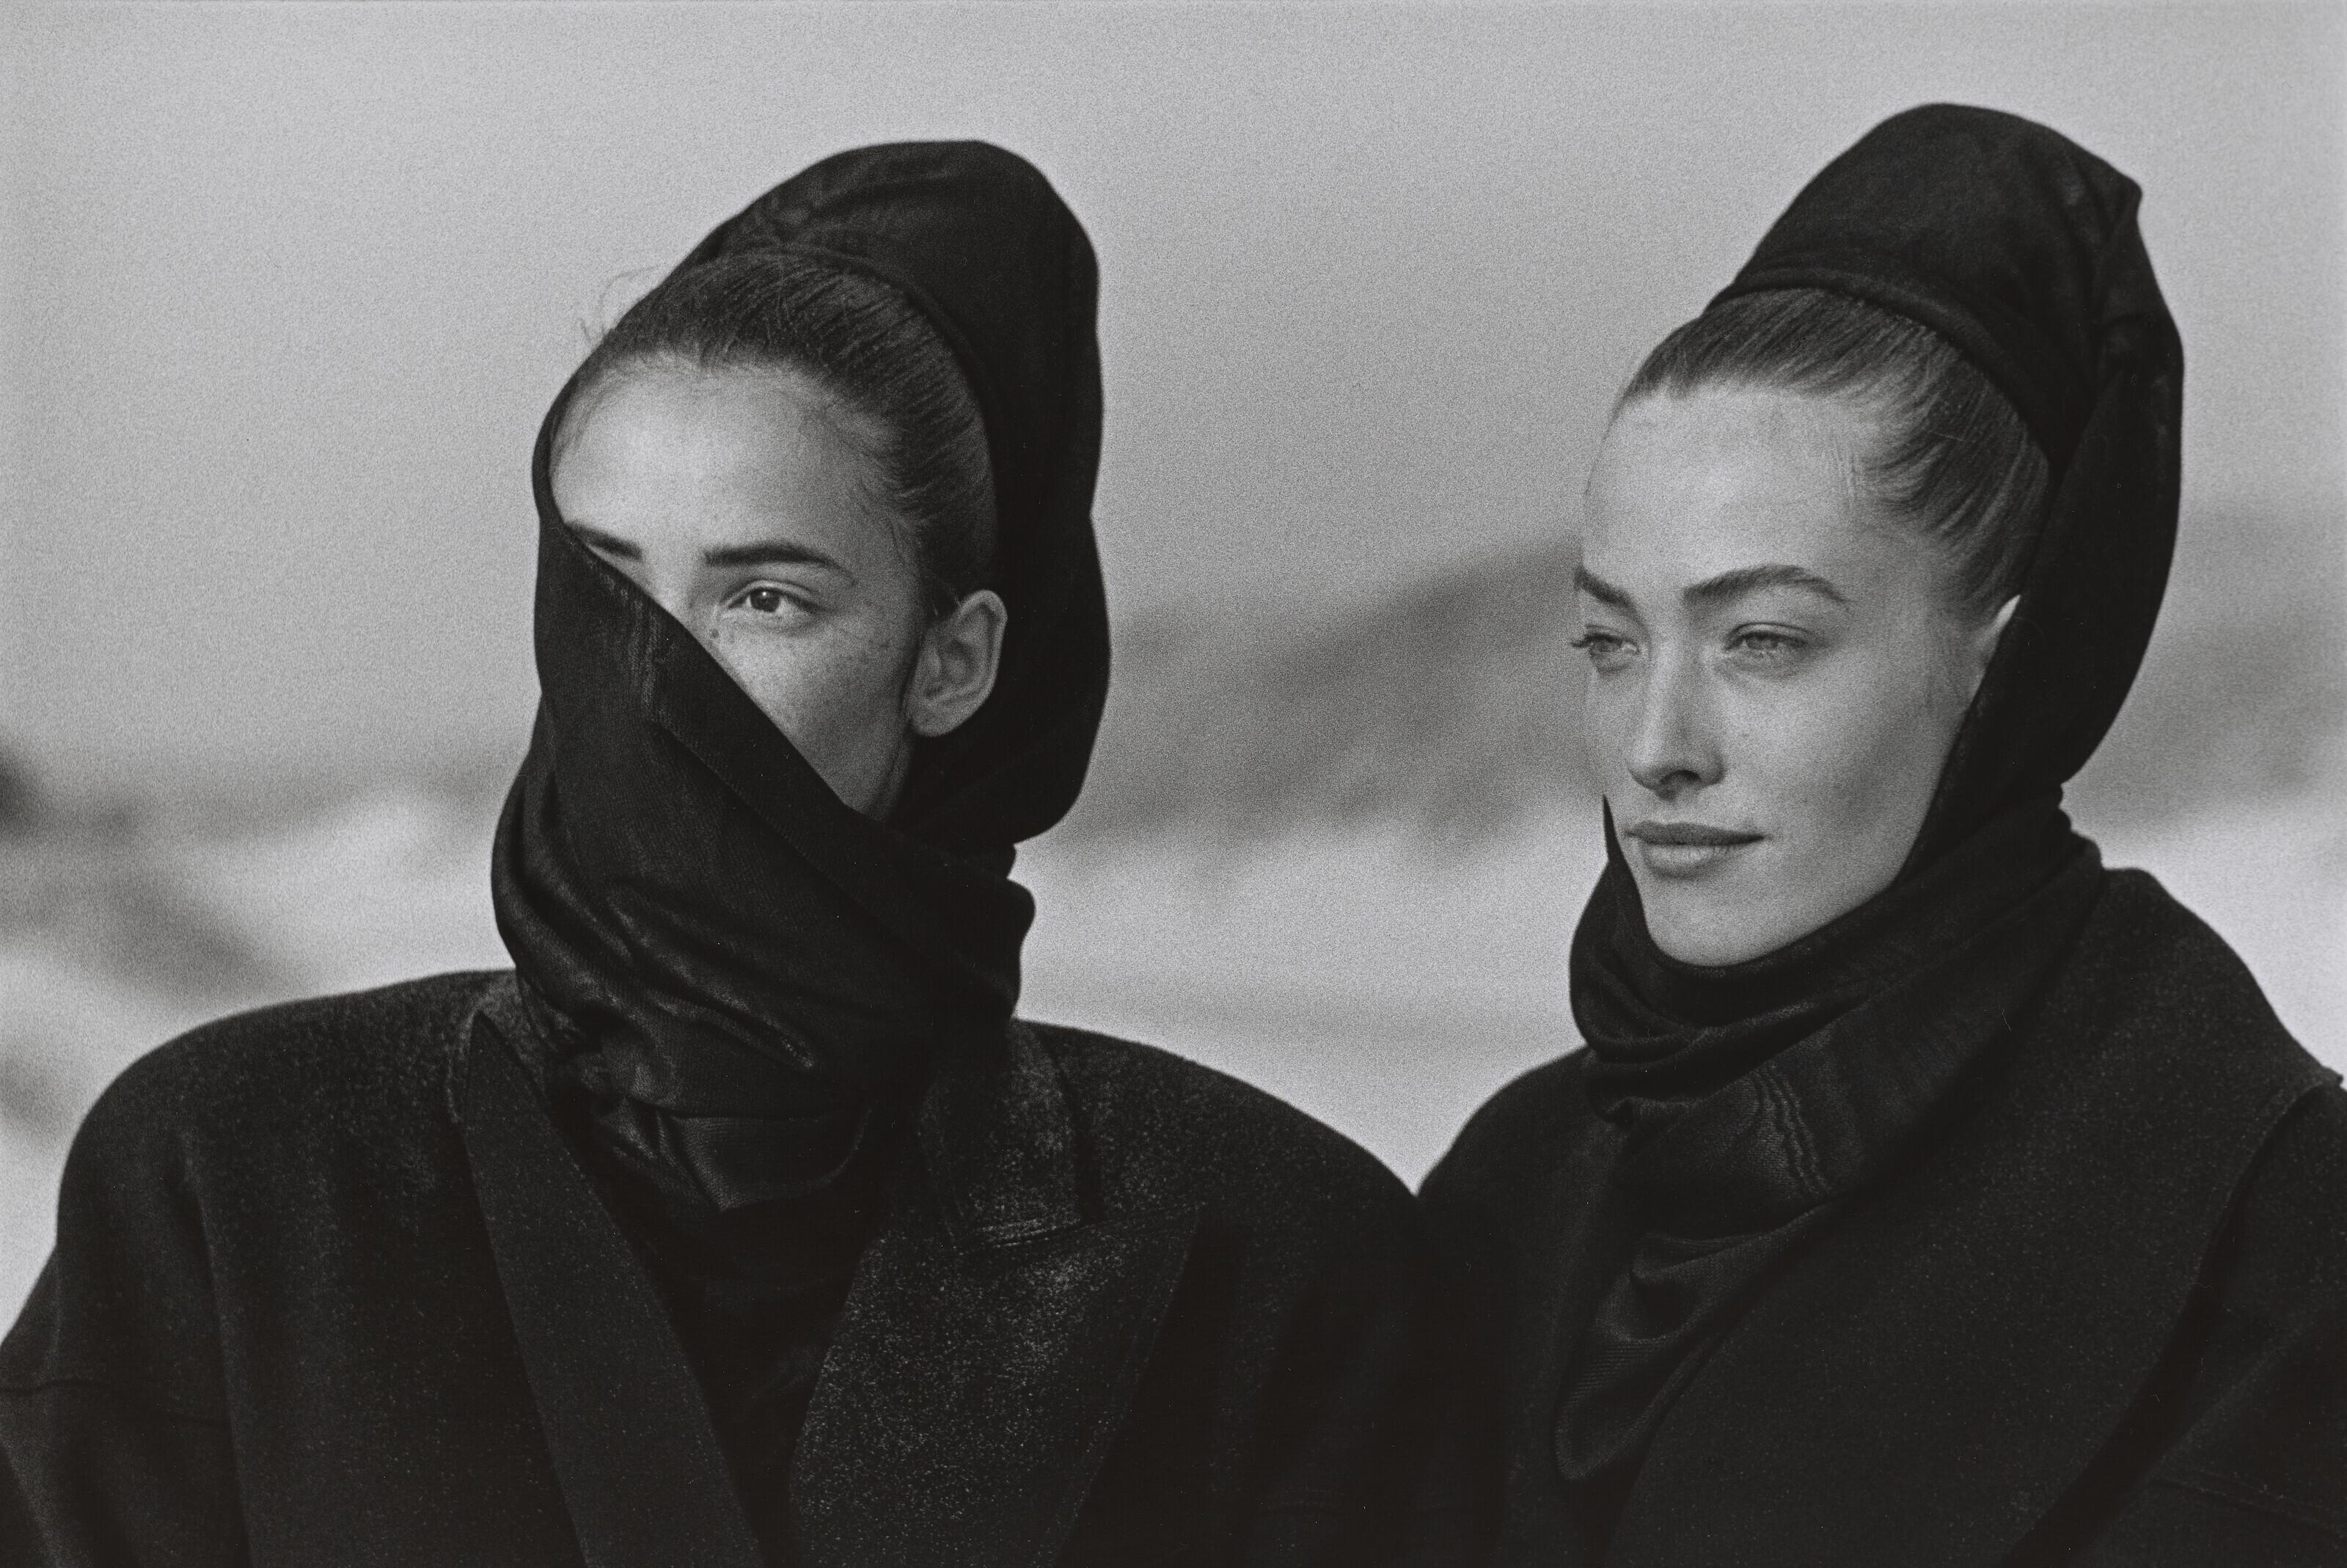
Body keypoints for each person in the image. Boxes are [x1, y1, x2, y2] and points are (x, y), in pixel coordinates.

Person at [1, 142, 1429, 1567]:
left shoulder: (1261, 1255)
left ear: (951, 660)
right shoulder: (233, 1181)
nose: (651, 681)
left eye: (761, 595)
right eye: (607, 582)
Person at [1413, 105, 2347, 1566]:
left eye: (1763, 640)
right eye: (1609, 642)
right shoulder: (1513, 1184)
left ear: (2003, 668)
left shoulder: (2270, 1220)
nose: (1658, 745)